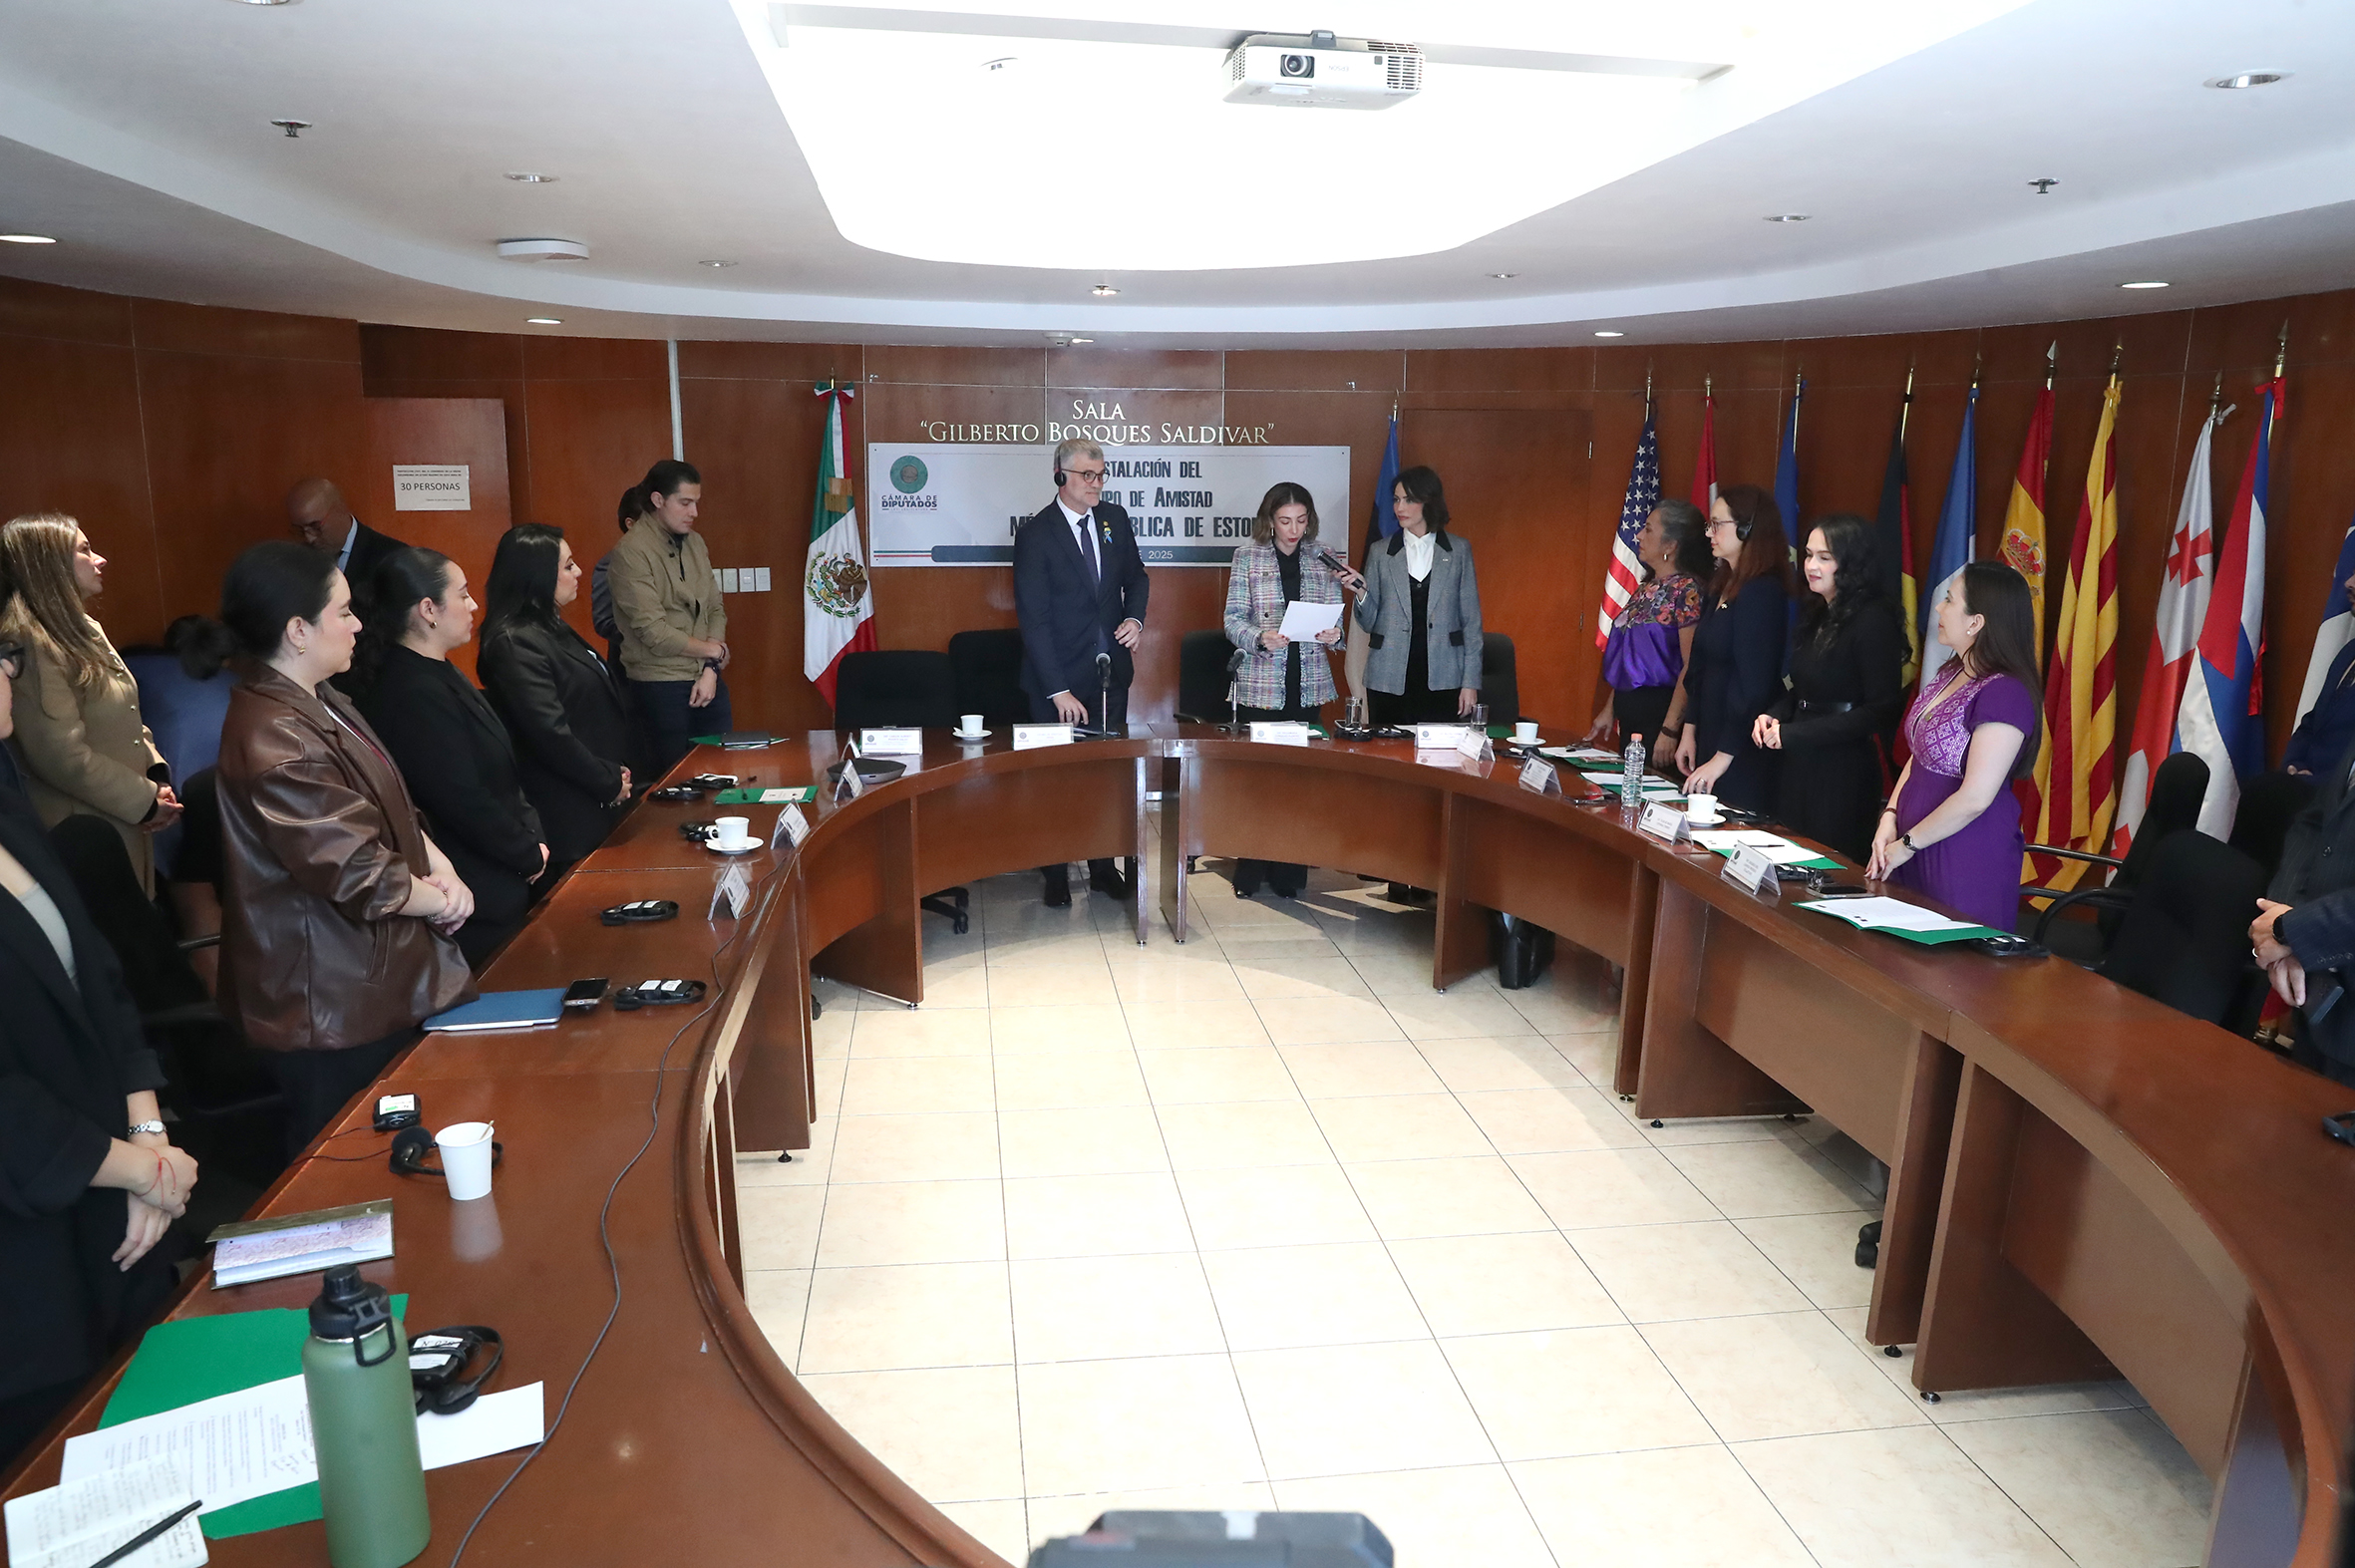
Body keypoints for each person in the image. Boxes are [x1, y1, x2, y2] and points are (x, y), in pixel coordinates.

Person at [0, 632, 199, 1467]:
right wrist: (138, 1169)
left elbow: (99, 974)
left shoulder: (7, 797)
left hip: (118, 1203)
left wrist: (148, 1133)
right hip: (28, 1257)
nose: (9, 671)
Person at [214, 542, 475, 1155]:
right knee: (345, 1166)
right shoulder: (277, 735)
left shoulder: (322, 698)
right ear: (298, 630)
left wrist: (440, 866)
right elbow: (359, 870)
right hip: (328, 1002)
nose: (359, 624)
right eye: (344, 612)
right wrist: (439, 900)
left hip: (369, 974)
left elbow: (391, 808)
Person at [352, 548, 547, 968]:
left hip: (503, 870)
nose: (474, 605)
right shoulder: (411, 690)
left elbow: (501, 774)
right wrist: (526, 852)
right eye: (462, 594)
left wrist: (533, 837)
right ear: (428, 610)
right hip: (472, 888)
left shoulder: (438, 669)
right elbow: (460, 797)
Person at [0, 514, 178, 896]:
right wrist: (144, 800)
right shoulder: (30, 641)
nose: (100, 559)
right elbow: (59, 756)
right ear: (50, 565)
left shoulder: (83, 626)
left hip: (124, 813)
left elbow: (124, 714)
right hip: (84, 826)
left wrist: (155, 776)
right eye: (85, 550)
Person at [1013, 438, 1151, 906]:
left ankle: (1102, 868)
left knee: (1105, 778)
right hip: (1056, 682)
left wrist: (1135, 619)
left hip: (1109, 677)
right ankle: (1054, 871)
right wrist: (1058, 690)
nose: (1097, 484)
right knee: (1055, 780)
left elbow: (1137, 578)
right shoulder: (1036, 535)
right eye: (1087, 475)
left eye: (1101, 475)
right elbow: (1034, 620)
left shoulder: (1115, 520)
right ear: (1060, 476)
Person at [1867, 562, 2042, 930]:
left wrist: (1908, 844)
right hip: (1910, 846)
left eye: (1949, 600)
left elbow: (1976, 797)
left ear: (1976, 622)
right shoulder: (1953, 670)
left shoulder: (2006, 693)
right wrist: (1890, 817)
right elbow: (1920, 756)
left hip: (1962, 856)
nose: (1938, 607)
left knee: (1946, 961)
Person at [1222, 482, 1359, 899]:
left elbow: (1337, 626)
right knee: (1261, 781)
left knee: (1298, 782)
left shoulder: (1324, 557)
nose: (1294, 530)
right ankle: (1251, 867)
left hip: (1308, 681)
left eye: (1301, 521)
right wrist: (1259, 637)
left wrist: (1336, 634)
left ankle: (1289, 870)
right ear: (1269, 520)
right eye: (1285, 521)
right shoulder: (1247, 557)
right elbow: (1232, 620)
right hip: (1263, 683)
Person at [479, 524, 634, 885]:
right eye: (567, 566)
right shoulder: (515, 641)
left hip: (598, 792)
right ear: (537, 574)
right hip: (566, 807)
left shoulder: (549, 625)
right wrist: (607, 781)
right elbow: (549, 734)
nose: (578, 571)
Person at [1754, 514, 1905, 863]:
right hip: (1799, 761)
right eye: (1808, 555)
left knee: (1827, 867)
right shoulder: (1820, 612)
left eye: (1824, 558)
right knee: (1788, 860)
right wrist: (1773, 715)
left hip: (1843, 770)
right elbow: (1803, 689)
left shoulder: (1873, 619)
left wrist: (1794, 734)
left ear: (1850, 563)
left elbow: (1881, 709)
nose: (1810, 566)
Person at [125, 615, 239, 991]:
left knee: (195, 903)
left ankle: (216, 1007)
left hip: (179, 797)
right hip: (243, 795)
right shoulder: (235, 681)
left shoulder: (134, 668)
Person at [607, 460, 730, 776]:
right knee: (675, 780)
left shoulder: (696, 543)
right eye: (685, 503)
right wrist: (714, 651)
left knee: (720, 772)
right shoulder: (631, 552)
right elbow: (654, 632)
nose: (694, 512)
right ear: (658, 500)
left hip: (707, 677)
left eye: (696, 503)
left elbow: (715, 609)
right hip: (660, 684)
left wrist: (711, 668)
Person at [1675, 484, 1791, 814]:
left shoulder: (1763, 591)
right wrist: (1689, 730)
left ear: (1747, 529)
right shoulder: (1721, 584)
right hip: (1709, 731)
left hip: (1740, 746)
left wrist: (1723, 757)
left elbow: (1753, 684)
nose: (1708, 533)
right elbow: (1699, 666)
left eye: (1717, 524)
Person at [1354, 466, 1483, 727]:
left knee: (1439, 750)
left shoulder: (1458, 550)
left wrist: (1470, 683)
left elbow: (1471, 623)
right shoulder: (1380, 552)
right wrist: (1361, 594)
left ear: (1428, 501)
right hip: (1388, 676)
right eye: (1396, 499)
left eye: (1408, 500)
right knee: (1386, 748)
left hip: (1444, 676)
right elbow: (1368, 623)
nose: (1399, 507)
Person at [1586, 498, 1710, 755]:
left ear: (1670, 545)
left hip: (1660, 714)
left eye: (1649, 529)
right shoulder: (1647, 588)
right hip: (1630, 715)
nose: (1639, 535)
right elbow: (1629, 657)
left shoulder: (1687, 591)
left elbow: (1692, 665)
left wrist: (1669, 729)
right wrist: (1610, 708)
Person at [284, 478, 405, 609]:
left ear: (340, 509)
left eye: (315, 526)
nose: (309, 538)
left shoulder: (393, 558)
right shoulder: (297, 562)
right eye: (299, 530)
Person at [590, 485, 646, 671]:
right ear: (630, 524)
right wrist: (651, 636)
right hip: (632, 669)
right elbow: (604, 621)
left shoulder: (674, 558)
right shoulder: (611, 564)